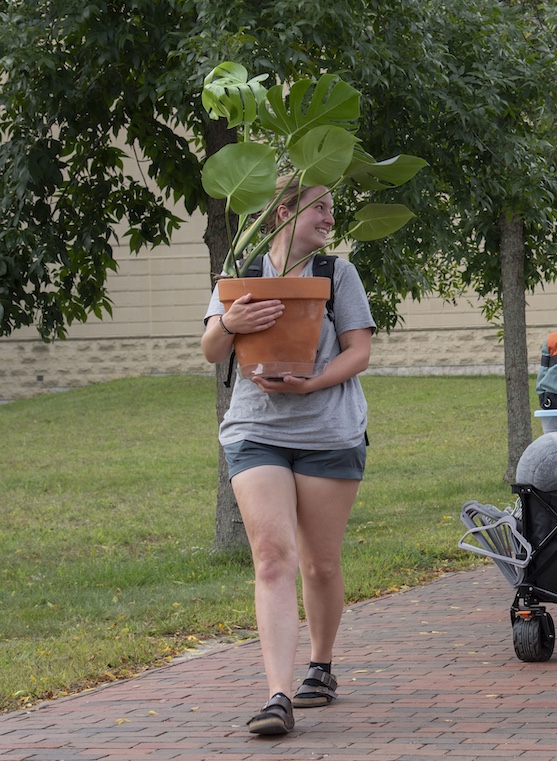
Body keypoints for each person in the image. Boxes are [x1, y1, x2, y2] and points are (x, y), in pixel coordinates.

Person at [201, 177, 376, 735]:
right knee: (274, 557)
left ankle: (320, 666)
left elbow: (361, 351)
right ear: (283, 212)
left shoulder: (336, 274)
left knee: (320, 564)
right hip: (255, 430)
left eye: (332, 209)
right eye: (318, 207)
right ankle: (277, 695)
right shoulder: (242, 272)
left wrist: (313, 382)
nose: (329, 217)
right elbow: (210, 349)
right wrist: (230, 323)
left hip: (328, 431)